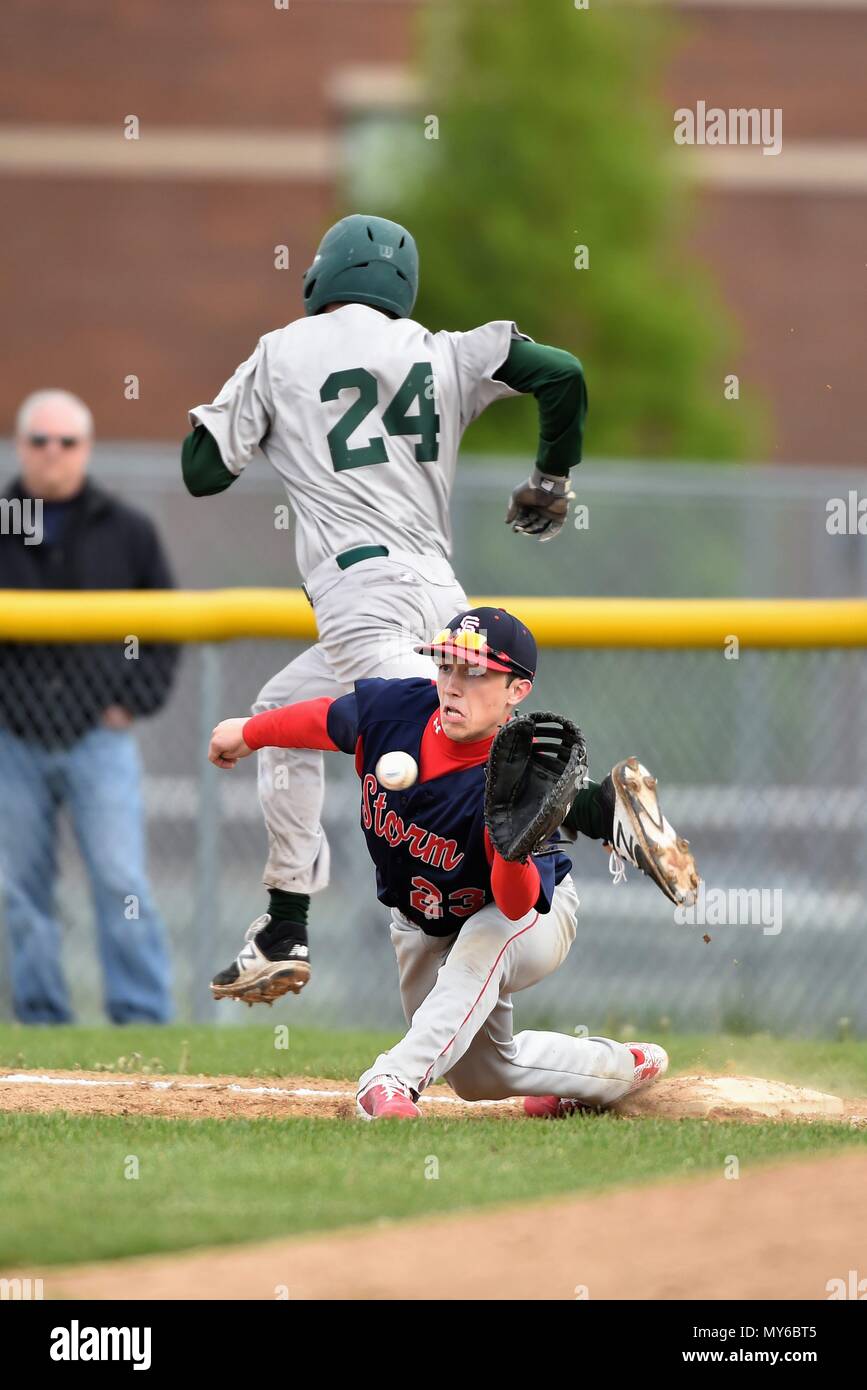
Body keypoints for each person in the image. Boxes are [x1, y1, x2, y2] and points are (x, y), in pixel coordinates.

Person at [182, 213, 588, 1005]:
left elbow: (202, 472)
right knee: (280, 716)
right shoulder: (442, 350)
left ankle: (598, 805)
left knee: (460, 740)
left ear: (320, 279)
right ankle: (283, 925)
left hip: (359, 597)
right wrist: (550, 479)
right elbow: (561, 371)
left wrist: (248, 417)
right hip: (436, 590)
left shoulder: (281, 351)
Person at [207, 607, 699, 1119]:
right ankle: (617, 1072)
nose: (454, 684)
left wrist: (510, 847)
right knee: (481, 1076)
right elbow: (327, 720)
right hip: (422, 919)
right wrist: (249, 731)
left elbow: (514, 904)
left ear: (516, 690)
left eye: (476, 671)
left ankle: (389, 1079)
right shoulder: (397, 711)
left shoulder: (521, 775)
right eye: (447, 666)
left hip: (525, 916)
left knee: (484, 943)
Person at [0, 389, 178, 1024]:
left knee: (120, 880)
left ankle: (143, 1018)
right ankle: (43, 1018)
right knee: (19, 889)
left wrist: (133, 700)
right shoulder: (3, 517)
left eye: (67, 442)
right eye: (39, 441)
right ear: (20, 448)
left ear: (87, 449)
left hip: (96, 738)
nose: (53, 454)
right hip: (11, 737)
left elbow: (167, 627)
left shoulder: (125, 528)